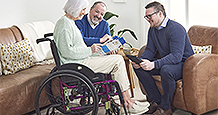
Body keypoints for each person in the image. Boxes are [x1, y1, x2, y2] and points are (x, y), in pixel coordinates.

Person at [53, 0, 150, 114]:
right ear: (75, 8)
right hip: (75, 65)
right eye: (83, 9)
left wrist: (100, 52)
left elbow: (75, 49)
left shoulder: (69, 22)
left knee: (115, 58)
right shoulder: (65, 24)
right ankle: (127, 102)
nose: (83, 13)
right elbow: (67, 52)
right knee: (118, 61)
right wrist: (91, 49)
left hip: (80, 61)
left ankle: (127, 100)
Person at [132, 1, 194, 115]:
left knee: (166, 70)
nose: (147, 19)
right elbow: (150, 49)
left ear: (160, 14)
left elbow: (176, 56)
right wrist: (141, 61)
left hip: (184, 65)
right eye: (146, 16)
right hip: (168, 62)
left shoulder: (176, 29)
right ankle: (157, 102)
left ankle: (166, 109)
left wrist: (154, 64)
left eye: (149, 16)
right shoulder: (152, 29)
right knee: (139, 68)